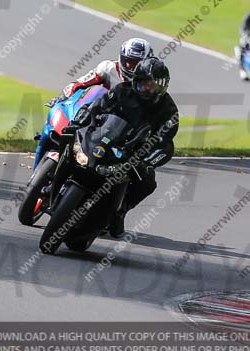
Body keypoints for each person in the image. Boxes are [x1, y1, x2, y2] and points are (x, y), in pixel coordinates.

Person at [75, 57, 179, 238]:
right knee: (72, 139)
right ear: (134, 81)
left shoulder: (169, 110)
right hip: (105, 137)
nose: (146, 89)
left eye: (152, 85)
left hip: (132, 153)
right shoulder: (122, 90)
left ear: (162, 86)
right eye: (142, 84)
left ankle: (120, 209)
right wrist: (81, 121)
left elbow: (165, 144)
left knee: (147, 182)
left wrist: (147, 162)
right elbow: (98, 106)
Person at [47, 37, 154, 106]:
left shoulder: (150, 82)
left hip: (126, 125)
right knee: (97, 90)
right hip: (98, 113)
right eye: (129, 61)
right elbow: (80, 84)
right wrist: (61, 98)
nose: (132, 67)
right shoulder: (108, 68)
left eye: (137, 63)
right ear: (122, 58)